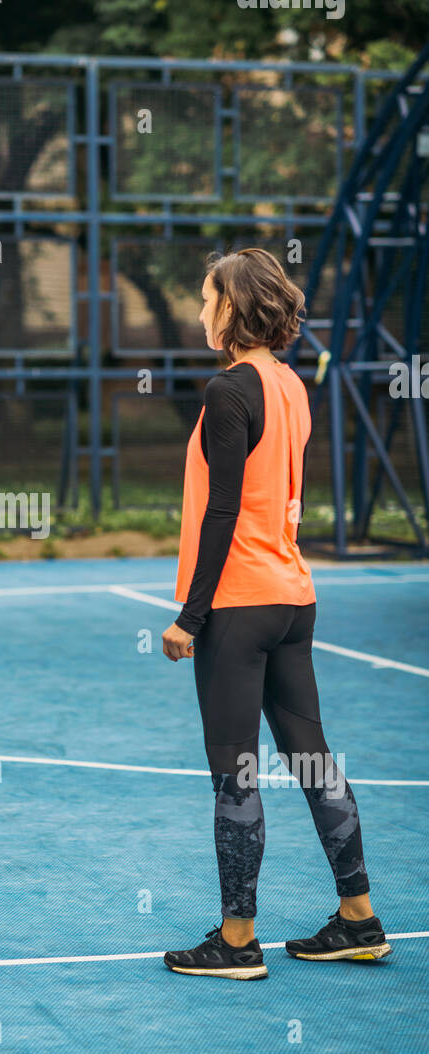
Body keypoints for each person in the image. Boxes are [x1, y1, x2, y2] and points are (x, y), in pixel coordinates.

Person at [159, 248, 390, 979]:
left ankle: (236, 942)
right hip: (294, 598)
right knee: (314, 757)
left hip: (240, 605)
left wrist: (190, 618)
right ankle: (359, 918)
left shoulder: (229, 390)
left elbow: (224, 509)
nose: (200, 311)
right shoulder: (290, 384)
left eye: (206, 299)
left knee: (236, 774)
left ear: (233, 306)